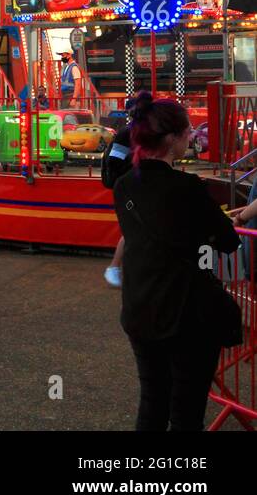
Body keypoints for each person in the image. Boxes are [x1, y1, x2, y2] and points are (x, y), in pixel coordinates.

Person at [113, 92, 240, 431]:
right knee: (186, 412)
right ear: (172, 140)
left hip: (141, 307)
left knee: (152, 404)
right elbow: (227, 241)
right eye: (186, 134)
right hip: (187, 314)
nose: (189, 140)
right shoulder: (187, 186)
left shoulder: (124, 186)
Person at [100, 118, 133, 287]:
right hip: (127, 188)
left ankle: (117, 267)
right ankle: (114, 267)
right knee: (132, 229)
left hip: (130, 186)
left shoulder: (135, 132)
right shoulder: (127, 133)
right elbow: (115, 161)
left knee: (133, 229)